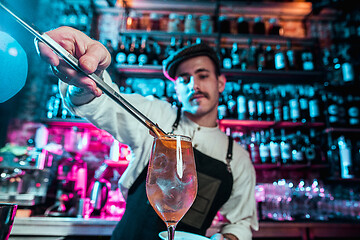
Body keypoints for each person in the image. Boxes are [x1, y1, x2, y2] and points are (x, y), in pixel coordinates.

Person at [37, 26, 258, 240]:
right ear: (176, 89)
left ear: (220, 83)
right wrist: (87, 78)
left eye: (203, 75)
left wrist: (229, 238)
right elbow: (106, 103)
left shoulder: (236, 157)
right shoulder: (157, 116)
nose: (194, 85)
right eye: (184, 79)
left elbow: (240, 222)